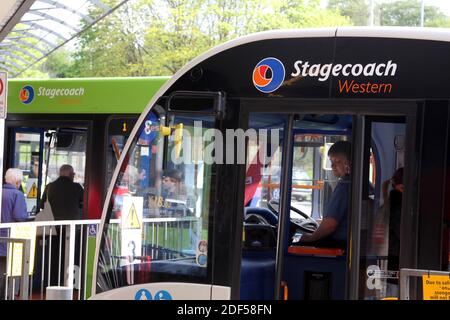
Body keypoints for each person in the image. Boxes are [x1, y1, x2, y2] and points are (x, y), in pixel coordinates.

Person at [297, 140, 351, 249]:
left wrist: (312, 237)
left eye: (337, 161)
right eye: (331, 161)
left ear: (348, 163)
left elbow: (330, 225)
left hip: (339, 246)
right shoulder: (360, 184)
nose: (332, 166)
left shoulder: (344, 187)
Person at [0, 168, 28, 299]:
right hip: (10, 239)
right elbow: (20, 216)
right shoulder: (17, 195)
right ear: (17, 182)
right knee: (9, 271)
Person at [385, 167, 404, 296]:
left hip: (392, 253)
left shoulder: (391, 200)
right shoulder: (397, 202)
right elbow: (400, 231)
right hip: (396, 254)